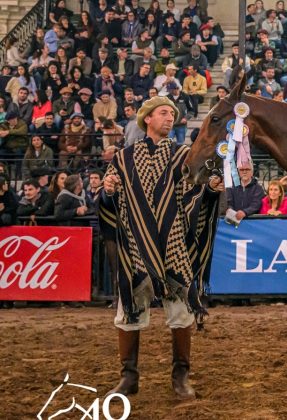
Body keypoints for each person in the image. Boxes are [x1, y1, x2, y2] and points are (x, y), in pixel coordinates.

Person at [100, 96, 223, 399]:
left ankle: (180, 377)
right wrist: (108, 191)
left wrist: (209, 189)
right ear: (147, 119)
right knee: (128, 313)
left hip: (173, 243)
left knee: (181, 314)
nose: (170, 118)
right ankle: (128, 377)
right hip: (135, 244)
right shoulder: (124, 158)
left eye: (173, 114)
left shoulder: (183, 155)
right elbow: (108, 199)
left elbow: (194, 193)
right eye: (164, 113)